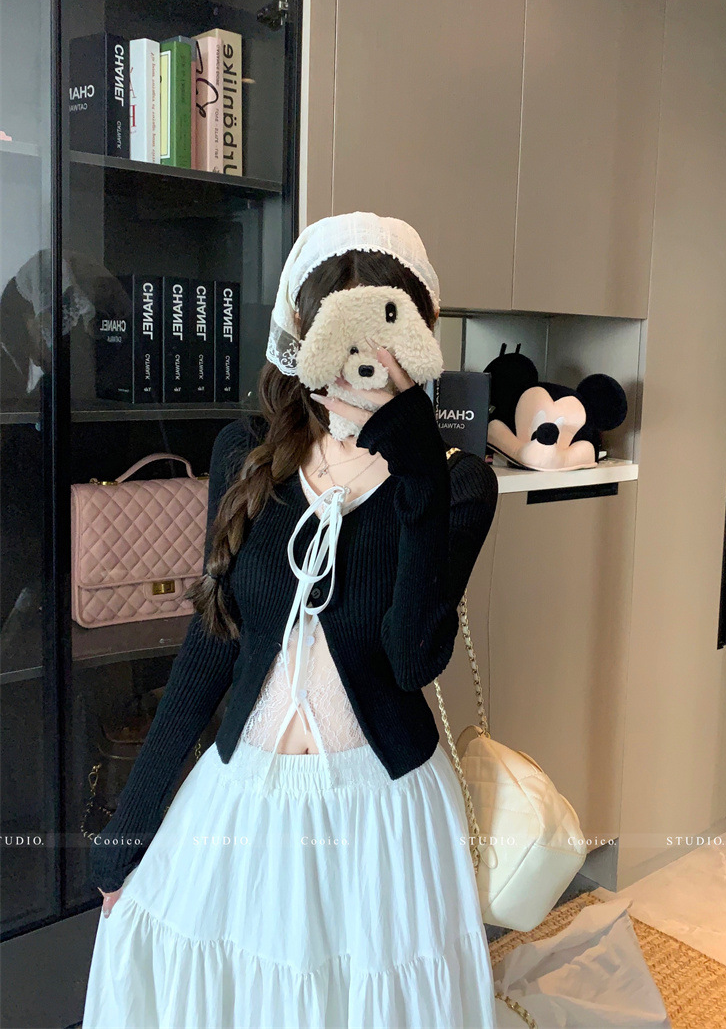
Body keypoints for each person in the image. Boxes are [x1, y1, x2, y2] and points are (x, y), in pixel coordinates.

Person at [82, 212, 500, 1029]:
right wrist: (128, 827)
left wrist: (416, 473)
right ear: (302, 330)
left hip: (383, 815)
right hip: (245, 800)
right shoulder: (246, 453)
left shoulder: (457, 481)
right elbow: (210, 649)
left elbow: (412, 660)